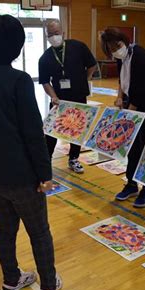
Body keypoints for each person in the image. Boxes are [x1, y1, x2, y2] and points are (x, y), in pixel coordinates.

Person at [0, 14, 61, 290]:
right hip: (21, 176)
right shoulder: (19, 80)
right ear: (17, 46)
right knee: (39, 232)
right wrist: (45, 175)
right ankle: (48, 284)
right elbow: (33, 133)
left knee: (5, 229)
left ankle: (11, 280)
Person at [99, 28, 145, 208]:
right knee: (133, 148)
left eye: (118, 46)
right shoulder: (121, 58)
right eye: (112, 50)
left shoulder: (140, 56)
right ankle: (131, 184)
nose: (116, 51)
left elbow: (140, 90)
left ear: (124, 40)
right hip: (133, 106)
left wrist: (129, 114)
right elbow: (122, 81)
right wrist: (120, 96)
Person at [39, 19, 97, 174]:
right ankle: (46, 161)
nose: (54, 37)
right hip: (59, 100)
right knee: (52, 131)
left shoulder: (78, 47)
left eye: (56, 33)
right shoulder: (45, 58)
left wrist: (86, 78)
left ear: (63, 33)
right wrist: (53, 97)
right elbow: (45, 82)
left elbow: (92, 64)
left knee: (77, 130)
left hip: (78, 96)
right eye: (50, 34)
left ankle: (74, 159)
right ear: (46, 36)